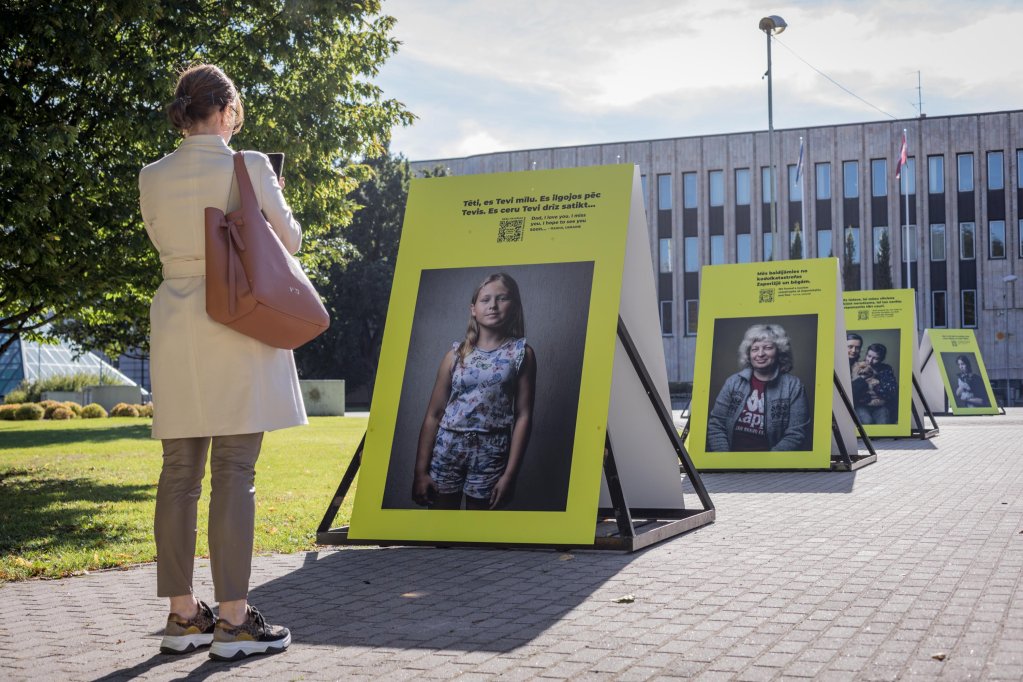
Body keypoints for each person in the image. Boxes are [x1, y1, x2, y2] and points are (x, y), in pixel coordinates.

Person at [139, 64, 299, 660]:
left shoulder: (151, 176)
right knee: (236, 470)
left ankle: (183, 616)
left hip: (176, 324)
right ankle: (233, 620)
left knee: (179, 475)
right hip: (235, 318)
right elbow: (291, 241)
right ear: (229, 110)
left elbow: (169, 240)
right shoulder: (249, 165)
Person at [412, 273, 537, 510]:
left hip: (491, 452)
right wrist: (420, 471)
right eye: (485, 299)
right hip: (447, 448)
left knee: (479, 531)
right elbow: (433, 414)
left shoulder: (521, 353)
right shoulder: (455, 355)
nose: (493, 305)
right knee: (440, 530)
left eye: (502, 298)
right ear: (473, 309)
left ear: (514, 306)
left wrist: (510, 475)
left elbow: (523, 416)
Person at [706, 323, 811, 452]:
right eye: (755, 349)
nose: (760, 354)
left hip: (773, 466)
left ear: (779, 351)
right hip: (730, 462)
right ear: (748, 354)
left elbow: (796, 433)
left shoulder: (794, 386)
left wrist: (768, 463)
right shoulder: (733, 382)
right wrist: (724, 460)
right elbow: (716, 425)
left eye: (767, 347)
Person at [851, 342, 898, 424]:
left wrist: (875, 387)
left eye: (875, 358)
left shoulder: (886, 369)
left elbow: (891, 391)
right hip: (861, 405)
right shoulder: (858, 366)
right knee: (866, 421)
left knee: (883, 420)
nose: (870, 361)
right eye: (868, 356)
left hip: (880, 406)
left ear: (881, 359)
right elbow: (852, 390)